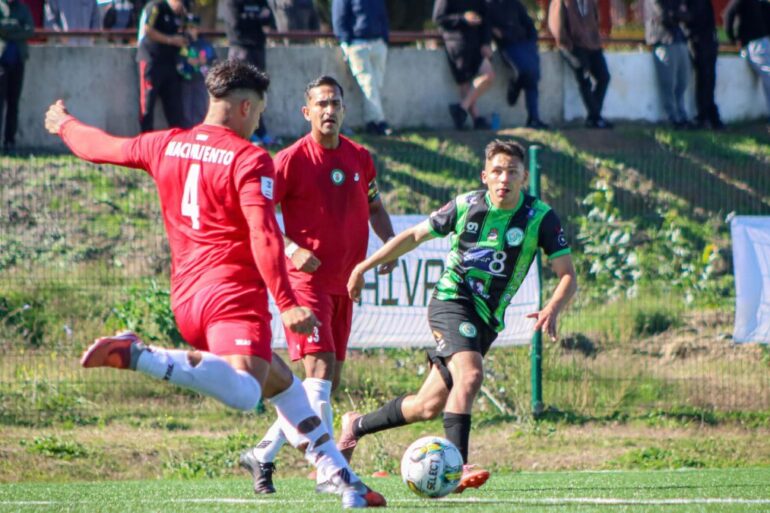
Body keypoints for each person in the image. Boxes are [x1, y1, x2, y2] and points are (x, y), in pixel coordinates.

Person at [43, 60, 386, 509]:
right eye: (259, 112)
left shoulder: (167, 143)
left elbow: (102, 147)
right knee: (245, 391)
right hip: (231, 298)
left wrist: (64, 124)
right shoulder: (249, 159)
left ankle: (339, 476)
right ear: (244, 107)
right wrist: (286, 302)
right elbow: (264, 234)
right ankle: (140, 355)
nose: (259, 121)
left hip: (187, 299)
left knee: (282, 384)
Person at [337, 139, 577, 493]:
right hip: (452, 301)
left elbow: (568, 275)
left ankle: (355, 425)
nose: (504, 178)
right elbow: (415, 234)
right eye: (497, 171)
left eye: (512, 172)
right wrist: (363, 266)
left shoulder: (540, 217)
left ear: (524, 177)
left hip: (487, 320)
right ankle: (459, 466)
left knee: (426, 406)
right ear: (485, 176)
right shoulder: (466, 206)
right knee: (471, 374)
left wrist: (552, 307)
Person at [240, 75, 396, 493]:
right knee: (320, 371)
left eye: (335, 104)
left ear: (344, 110)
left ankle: (262, 453)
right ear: (306, 111)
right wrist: (291, 249)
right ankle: (330, 472)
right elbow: (259, 216)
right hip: (305, 284)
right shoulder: (289, 160)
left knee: (323, 384)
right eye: (321, 104)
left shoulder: (360, 157)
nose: (329, 111)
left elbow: (376, 208)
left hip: (345, 283)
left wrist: (389, 248)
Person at [548, 0, 613, 128]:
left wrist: (595, 40)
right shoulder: (561, 2)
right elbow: (556, 26)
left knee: (604, 77)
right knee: (584, 78)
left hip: (593, 46)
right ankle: (595, 118)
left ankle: (594, 117)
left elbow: (595, 20)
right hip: (573, 47)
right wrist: (567, 44)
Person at [433, 0, 496, 130]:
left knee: (489, 75)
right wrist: (462, 18)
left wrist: (486, 43)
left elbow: (486, 20)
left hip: (477, 44)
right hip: (457, 43)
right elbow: (439, 18)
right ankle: (476, 119)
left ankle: (461, 108)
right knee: (464, 81)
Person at [332, 0, 392, 136]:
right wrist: (347, 42)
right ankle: (380, 122)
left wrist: (384, 38)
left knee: (376, 85)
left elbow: (382, 16)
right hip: (357, 44)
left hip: (378, 43)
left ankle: (372, 123)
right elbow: (339, 19)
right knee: (368, 84)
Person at [485, 0, 548, 129]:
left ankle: (534, 118)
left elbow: (528, 23)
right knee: (524, 71)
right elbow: (486, 26)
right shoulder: (488, 5)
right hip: (508, 45)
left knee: (533, 77)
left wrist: (532, 42)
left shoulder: (514, 3)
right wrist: (498, 34)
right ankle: (515, 87)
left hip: (526, 44)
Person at [223, 0, 275, 144]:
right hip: (240, 49)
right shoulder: (232, 2)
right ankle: (245, 132)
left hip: (258, 48)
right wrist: (258, 17)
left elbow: (270, 20)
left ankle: (260, 130)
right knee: (242, 91)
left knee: (258, 92)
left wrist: (255, 18)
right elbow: (235, 24)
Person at [136, 0, 187, 132]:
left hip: (170, 63)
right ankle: (145, 137)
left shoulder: (179, 13)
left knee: (175, 107)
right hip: (152, 60)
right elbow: (148, 29)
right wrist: (170, 40)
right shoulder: (156, 6)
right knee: (147, 104)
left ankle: (177, 137)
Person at [645, 0, 692, 128]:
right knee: (668, 83)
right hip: (663, 40)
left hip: (679, 40)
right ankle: (671, 117)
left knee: (682, 81)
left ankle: (681, 116)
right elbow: (664, 17)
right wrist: (678, 14)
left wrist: (676, 14)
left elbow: (688, 16)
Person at [725, 0, 770, 122]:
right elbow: (729, 14)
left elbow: (729, 15)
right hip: (756, 43)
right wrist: (733, 39)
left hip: (758, 42)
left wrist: (733, 38)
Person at [682, 0, 723, 130]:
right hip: (697, 40)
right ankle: (704, 115)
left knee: (709, 80)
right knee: (704, 78)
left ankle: (710, 115)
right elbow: (688, 17)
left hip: (708, 39)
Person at [0, 0, 34, 153]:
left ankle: (10, 142)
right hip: (1, 62)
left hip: (18, 62)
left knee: (13, 104)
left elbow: (29, 30)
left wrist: (7, 29)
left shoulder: (23, 8)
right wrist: (15, 26)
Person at [178, 14, 216, 128]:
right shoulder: (181, 43)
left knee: (200, 108)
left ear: (198, 29)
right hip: (185, 81)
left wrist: (202, 61)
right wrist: (186, 61)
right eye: (187, 28)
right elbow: (178, 60)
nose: (189, 31)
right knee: (185, 110)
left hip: (200, 80)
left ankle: (199, 130)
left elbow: (212, 60)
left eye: (192, 28)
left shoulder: (204, 44)